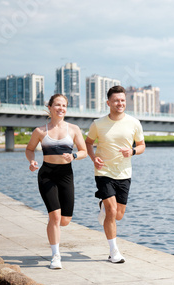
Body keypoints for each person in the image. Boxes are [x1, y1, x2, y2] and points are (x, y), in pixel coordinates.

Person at [25, 94, 87, 269]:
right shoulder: (40, 131)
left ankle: (54, 228)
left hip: (66, 175)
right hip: (47, 174)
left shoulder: (73, 129)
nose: (61, 108)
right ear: (50, 107)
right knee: (55, 216)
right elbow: (29, 149)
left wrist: (74, 155)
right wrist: (31, 161)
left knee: (65, 220)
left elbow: (84, 151)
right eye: (57, 105)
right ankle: (55, 255)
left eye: (64, 105)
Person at [85, 85, 145, 263]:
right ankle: (114, 251)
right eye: (116, 100)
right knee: (111, 211)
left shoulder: (134, 123)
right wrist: (93, 157)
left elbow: (142, 146)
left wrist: (132, 151)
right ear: (108, 102)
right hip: (103, 171)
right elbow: (88, 143)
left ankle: (104, 207)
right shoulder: (98, 124)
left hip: (124, 173)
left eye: (123, 100)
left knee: (118, 215)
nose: (120, 103)